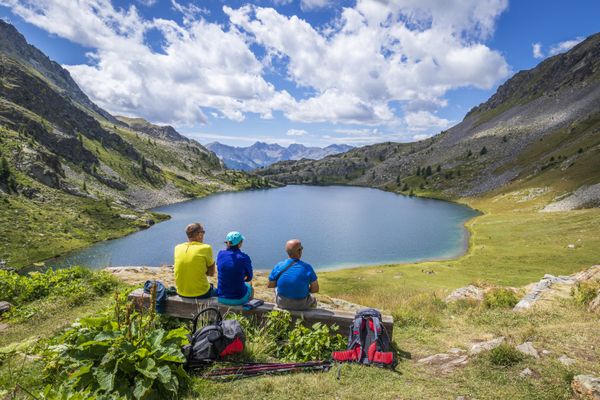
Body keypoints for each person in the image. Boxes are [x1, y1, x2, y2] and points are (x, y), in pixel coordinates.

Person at [268, 239, 319, 310]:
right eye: (301, 248)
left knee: (276, 288)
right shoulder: (307, 267)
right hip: (302, 304)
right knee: (313, 299)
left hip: (282, 303)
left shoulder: (279, 266)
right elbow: (315, 289)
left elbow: (270, 285)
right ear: (299, 251)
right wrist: (302, 289)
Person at [173, 222, 217, 298]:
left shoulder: (177, 248)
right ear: (199, 234)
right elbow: (211, 273)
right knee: (218, 292)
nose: (203, 235)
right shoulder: (206, 248)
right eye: (203, 232)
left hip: (180, 292)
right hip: (201, 293)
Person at [216, 231, 254, 305]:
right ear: (240, 244)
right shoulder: (244, 258)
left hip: (221, 298)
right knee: (250, 287)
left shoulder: (220, 254)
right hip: (239, 298)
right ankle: (247, 310)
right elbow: (249, 277)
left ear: (227, 242)